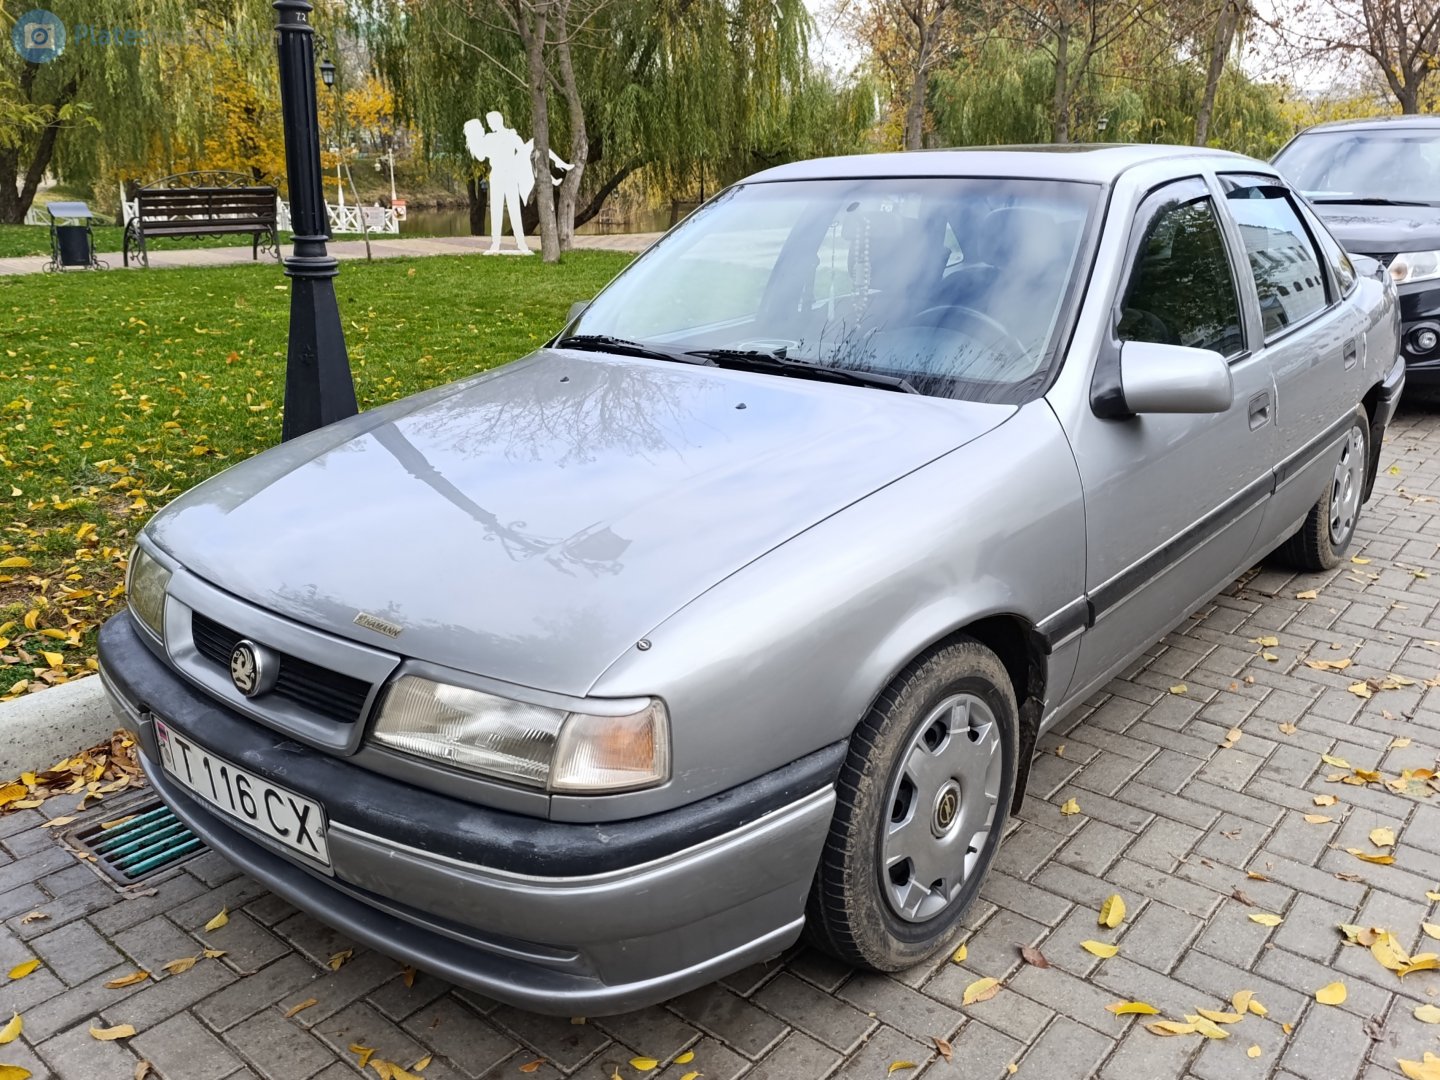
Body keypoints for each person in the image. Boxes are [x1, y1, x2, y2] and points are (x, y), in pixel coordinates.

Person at [463, 112, 573, 255]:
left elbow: (521, 153)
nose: (488, 126)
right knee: (501, 210)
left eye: (489, 123)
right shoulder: (499, 136)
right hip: (501, 176)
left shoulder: (505, 136)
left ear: (496, 122)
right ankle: (504, 244)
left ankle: (514, 244)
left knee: (508, 210)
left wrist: (476, 137)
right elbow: (482, 156)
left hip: (508, 175)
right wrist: (475, 136)